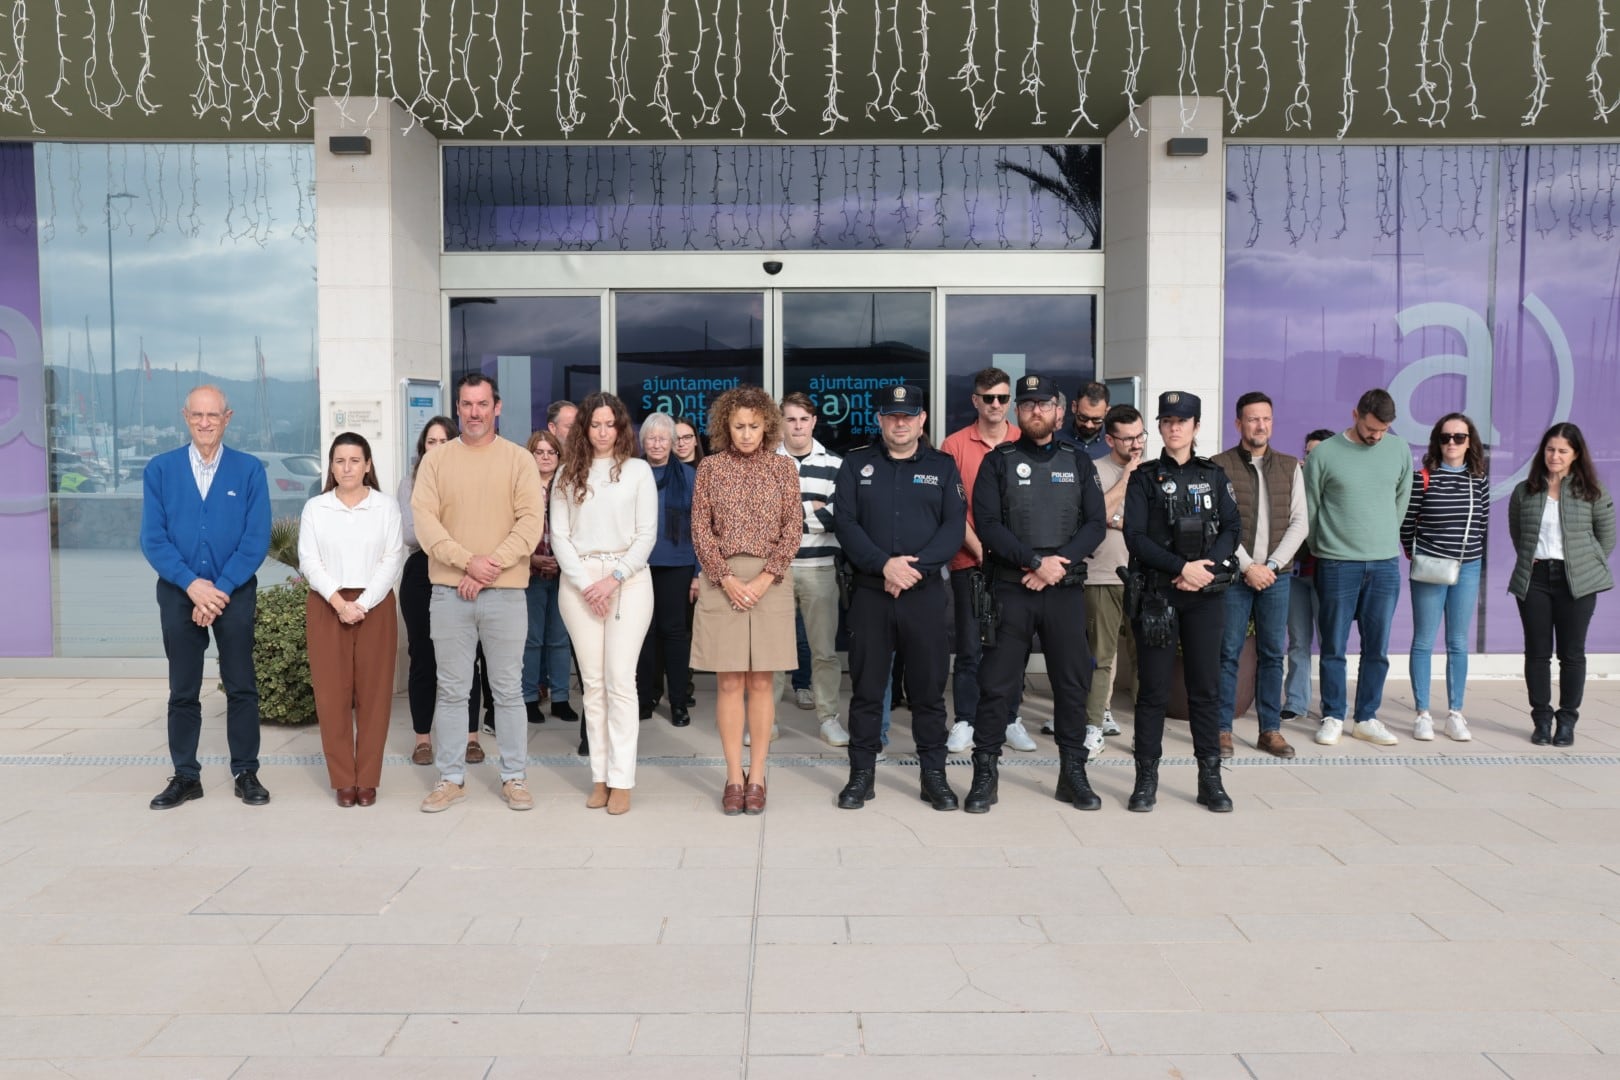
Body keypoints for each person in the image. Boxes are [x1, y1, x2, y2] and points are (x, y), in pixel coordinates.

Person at [964, 374, 1106, 814]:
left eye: (1043, 404)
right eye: (1026, 405)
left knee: (1071, 684)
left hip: (1062, 589)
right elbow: (987, 526)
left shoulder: (1077, 460)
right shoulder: (998, 461)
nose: (1035, 411)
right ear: (1016, 412)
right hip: (1011, 589)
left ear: (1058, 411)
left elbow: (1095, 524)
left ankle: (1072, 773)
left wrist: (1055, 565)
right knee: (996, 685)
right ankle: (985, 774)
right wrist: (1032, 562)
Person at [412, 373, 546, 813]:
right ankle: (451, 778)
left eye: (482, 404)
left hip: (505, 595)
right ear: (458, 409)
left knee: (507, 690)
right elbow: (426, 524)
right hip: (449, 594)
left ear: (497, 407)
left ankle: (514, 777)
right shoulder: (436, 462)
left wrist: (485, 568)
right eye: (467, 405)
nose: (474, 412)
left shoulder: (519, 460)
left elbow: (530, 523)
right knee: (452, 690)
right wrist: (467, 561)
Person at [832, 383, 966, 811]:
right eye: (892, 415)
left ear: (922, 418)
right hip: (871, 594)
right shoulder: (856, 465)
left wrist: (912, 569)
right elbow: (847, 524)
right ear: (880, 419)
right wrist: (883, 565)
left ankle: (934, 777)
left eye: (908, 415)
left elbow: (952, 528)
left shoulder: (943, 467)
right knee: (868, 690)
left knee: (928, 692)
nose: (900, 422)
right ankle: (861, 776)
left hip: (924, 595)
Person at [140, 384, 272, 810]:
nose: (204, 423)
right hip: (179, 592)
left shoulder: (250, 470)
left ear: (227, 418)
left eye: (212, 415)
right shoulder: (160, 470)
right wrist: (192, 585)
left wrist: (219, 589)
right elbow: (153, 539)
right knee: (183, 688)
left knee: (241, 685)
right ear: (185, 416)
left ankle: (246, 772)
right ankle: (185, 776)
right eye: (197, 415)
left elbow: (255, 540)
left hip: (233, 591)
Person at [1123, 391, 1240, 813]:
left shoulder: (1214, 475)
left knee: (1205, 690)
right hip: (1159, 594)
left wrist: (1205, 567)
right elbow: (1134, 537)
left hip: (1205, 595)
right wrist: (1180, 567)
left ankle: (1210, 779)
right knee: (1152, 691)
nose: (1174, 428)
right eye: (1167, 420)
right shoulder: (1143, 477)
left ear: (1196, 426)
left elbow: (1232, 527)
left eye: (1182, 421)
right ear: (1159, 427)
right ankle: (1146, 779)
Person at [690, 386, 802, 816]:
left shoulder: (782, 469)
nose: (747, 434)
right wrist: (726, 578)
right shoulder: (711, 468)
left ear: (767, 426)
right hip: (723, 580)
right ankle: (733, 775)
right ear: (725, 426)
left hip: (771, 580)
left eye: (754, 426)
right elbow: (701, 529)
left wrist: (764, 578)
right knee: (729, 681)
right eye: (738, 426)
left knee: (761, 682)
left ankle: (758, 775)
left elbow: (793, 528)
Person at [552, 392, 658, 814]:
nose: (601, 431)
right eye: (594, 424)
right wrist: (585, 582)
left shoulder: (637, 472)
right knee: (592, 685)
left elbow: (645, 534)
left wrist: (612, 578)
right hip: (579, 584)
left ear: (620, 428)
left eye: (608, 424)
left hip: (627, 582)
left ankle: (623, 779)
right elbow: (559, 536)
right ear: (584, 428)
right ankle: (599, 776)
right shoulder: (566, 474)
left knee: (620, 681)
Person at [298, 432, 405, 807]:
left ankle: (368, 778)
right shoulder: (316, 508)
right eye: (340, 461)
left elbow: (392, 558)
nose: (347, 468)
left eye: (355, 460)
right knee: (332, 696)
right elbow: (309, 560)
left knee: (375, 696)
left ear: (368, 464)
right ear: (331, 466)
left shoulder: (385, 507)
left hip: (374, 608)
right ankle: (344, 778)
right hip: (327, 606)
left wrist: (363, 602)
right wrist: (339, 602)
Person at [1305, 388, 1413, 747]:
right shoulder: (1326, 454)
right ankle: (1334, 715)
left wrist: (1384, 538)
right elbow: (1312, 507)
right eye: (1371, 428)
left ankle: (1367, 717)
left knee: (1377, 647)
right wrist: (1327, 546)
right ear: (1355, 414)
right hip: (1337, 562)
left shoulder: (1398, 450)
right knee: (1334, 645)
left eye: (1383, 430)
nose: (1376, 436)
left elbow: (1402, 498)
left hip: (1384, 563)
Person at [939, 367, 1033, 754]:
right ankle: (965, 719)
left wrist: (1013, 555)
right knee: (970, 648)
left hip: (1016, 567)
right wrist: (981, 549)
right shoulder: (954, 445)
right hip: (969, 562)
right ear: (975, 400)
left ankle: (1010, 718)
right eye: (988, 397)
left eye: (1002, 398)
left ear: (1010, 401)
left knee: (1013, 648)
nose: (996, 404)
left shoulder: (1025, 441)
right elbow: (951, 507)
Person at [1211, 392, 1308, 759]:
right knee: (1228, 652)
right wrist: (1247, 566)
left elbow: (1301, 522)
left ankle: (1270, 730)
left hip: (1276, 577)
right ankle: (1222, 730)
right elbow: (1217, 524)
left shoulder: (1289, 466)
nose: (1260, 425)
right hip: (1236, 577)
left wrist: (1269, 567)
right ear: (1238, 424)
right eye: (1252, 419)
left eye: (1266, 419)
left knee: (1272, 653)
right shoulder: (1219, 467)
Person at [1508, 423, 1615, 747]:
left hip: (1577, 581)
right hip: (1536, 579)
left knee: (1572, 655)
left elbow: (1606, 537)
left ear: (1576, 454)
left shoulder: (1592, 491)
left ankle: (1567, 721)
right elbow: (1519, 534)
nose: (1555, 456)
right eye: (1550, 449)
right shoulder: (1525, 490)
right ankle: (1541, 719)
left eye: (1563, 451)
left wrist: (1586, 562)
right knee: (1537, 654)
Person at [400, 417, 487, 766]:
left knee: (469, 659)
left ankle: (470, 738)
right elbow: (411, 534)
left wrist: (438, 530)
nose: (435, 447)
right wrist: (450, 534)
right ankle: (423, 739)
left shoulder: (473, 478)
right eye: (429, 441)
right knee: (424, 658)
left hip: (464, 571)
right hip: (422, 571)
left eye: (442, 441)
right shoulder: (411, 482)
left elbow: (482, 527)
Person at [1401, 413, 1490, 742]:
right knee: (1424, 641)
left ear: (1470, 442)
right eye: (1445, 437)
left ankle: (1455, 713)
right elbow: (1407, 524)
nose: (1452, 443)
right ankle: (1422, 713)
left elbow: (1481, 522)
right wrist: (1419, 557)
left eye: (1459, 437)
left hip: (1467, 566)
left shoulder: (1477, 479)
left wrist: (1468, 556)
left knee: (1458, 642)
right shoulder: (1422, 478)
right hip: (1430, 567)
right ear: (1437, 441)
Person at [772, 392, 849, 747]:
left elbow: (840, 518)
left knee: (823, 651)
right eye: (790, 419)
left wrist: (793, 515)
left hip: (820, 569)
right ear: (781, 423)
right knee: (772, 652)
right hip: (775, 571)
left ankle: (828, 718)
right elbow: (762, 520)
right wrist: (813, 509)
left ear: (814, 421)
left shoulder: (835, 464)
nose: (798, 425)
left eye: (803, 419)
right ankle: (765, 720)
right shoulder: (767, 463)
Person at [1082, 403, 1145, 750]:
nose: (1136, 445)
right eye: (1127, 439)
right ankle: (1093, 726)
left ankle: (1144, 733)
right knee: (1101, 657)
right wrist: (1127, 476)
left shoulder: (1154, 471)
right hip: (1102, 575)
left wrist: (1121, 522)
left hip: (1143, 577)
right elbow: (1098, 514)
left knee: (1144, 658)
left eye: (1140, 436)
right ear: (1110, 439)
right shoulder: (1094, 470)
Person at [635, 412, 699, 728]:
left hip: (678, 564)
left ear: (673, 443)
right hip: (638, 565)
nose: (657, 444)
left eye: (663, 438)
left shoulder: (689, 477)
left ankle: (677, 702)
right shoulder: (632, 473)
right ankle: (644, 698)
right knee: (643, 635)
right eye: (652, 438)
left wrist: (699, 573)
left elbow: (703, 527)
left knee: (674, 634)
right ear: (642, 442)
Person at [1282, 429, 1334, 723]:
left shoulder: (1335, 485)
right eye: (1308, 453)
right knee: (1298, 641)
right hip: (1295, 573)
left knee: (1330, 642)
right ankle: (1297, 701)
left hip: (1327, 573)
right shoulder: (1294, 483)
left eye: (1319, 453)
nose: (1311, 459)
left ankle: (1331, 704)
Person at [523, 430, 575, 724]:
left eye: (551, 452)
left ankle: (561, 699)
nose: (545, 457)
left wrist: (562, 562)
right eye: (539, 452)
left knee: (559, 639)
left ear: (559, 456)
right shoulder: (520, 486)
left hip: (562, 573)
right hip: (529, 572)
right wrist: (530, 558)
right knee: (531, 640)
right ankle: (530, 698)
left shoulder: (567, 486)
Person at [1063, 380, 1113, 460]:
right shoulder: (1054, 438)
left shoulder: (1115, 443)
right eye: (1083, 417)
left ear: (1107, 412)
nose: (1089, 425)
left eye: (1096, 419)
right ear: (1074, 407)